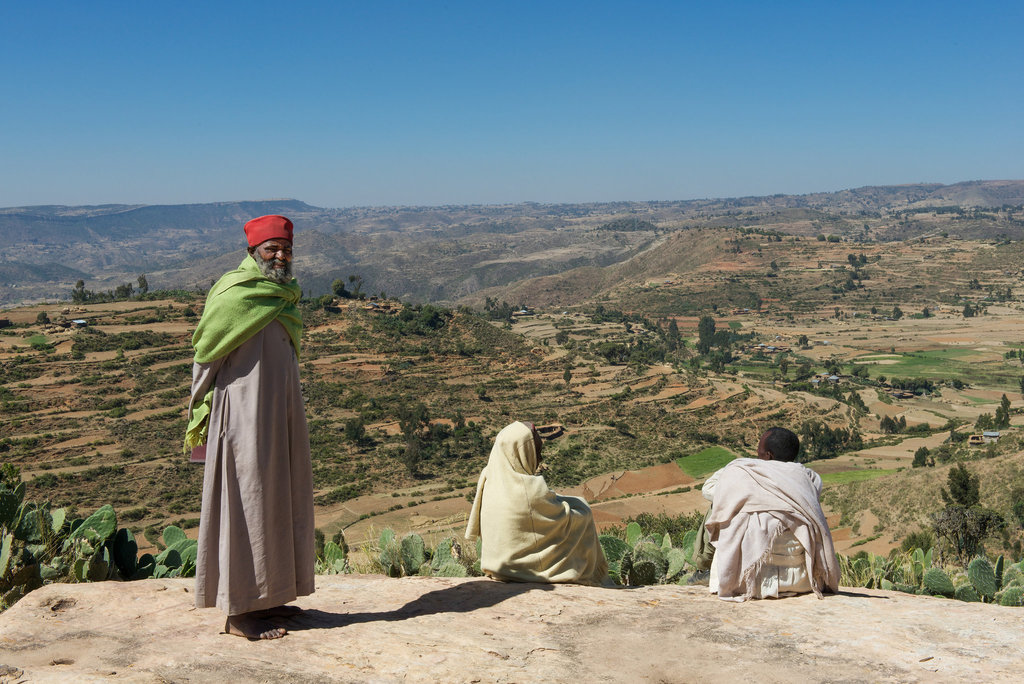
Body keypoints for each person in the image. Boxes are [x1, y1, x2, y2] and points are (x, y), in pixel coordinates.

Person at [185, 214, 315, 640]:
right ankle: (239, 612)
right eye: (272, 249)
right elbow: (206, 353)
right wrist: (199, 411)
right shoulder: (233, 293)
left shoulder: (285, 293)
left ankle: (273, 595)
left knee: (279, 498)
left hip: (281, 412)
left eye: (286, 249)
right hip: (242, 415)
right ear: (252, 252)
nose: (280, 256)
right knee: (246, 503)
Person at [702, 427, 839, 601]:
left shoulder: (743, 472)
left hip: (747, 581)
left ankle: (704, 567)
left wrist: (736, 467)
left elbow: (708, 489)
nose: (756, 453)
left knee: (720, 505)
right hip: (801, 581)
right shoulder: (809, 478)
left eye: (759, 450)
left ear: (768, 455)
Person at [465, 421, 608, 585]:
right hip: (526, 572)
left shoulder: (488, 478)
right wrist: (582, 507)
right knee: (583, 516)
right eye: (536, 452)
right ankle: (593, 576)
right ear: (521, 452)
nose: (540, 458)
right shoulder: (528, 489)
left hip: (496, 566)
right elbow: (562, 517)